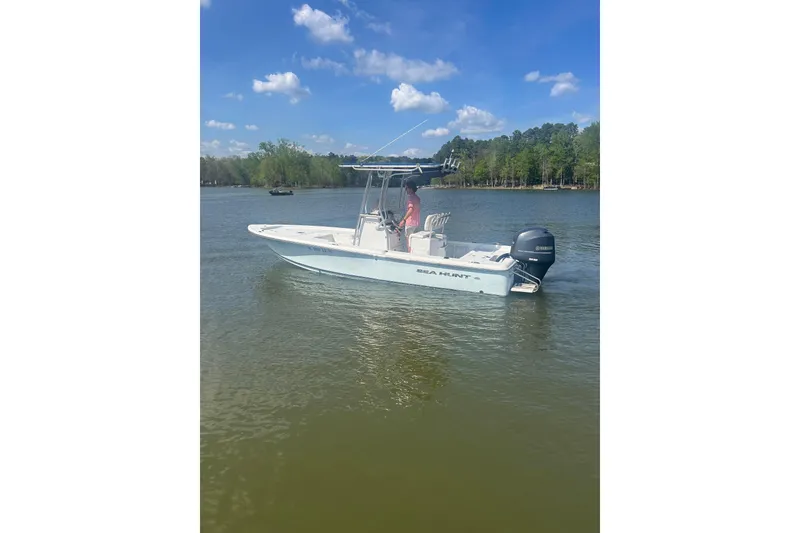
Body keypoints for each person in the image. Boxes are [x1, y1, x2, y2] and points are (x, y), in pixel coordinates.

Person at [396, 179, 421, 252]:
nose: (405, 190)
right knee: (415, 242)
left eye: (406, 188)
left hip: (410, 224)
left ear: (410, 189)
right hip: (417, 223)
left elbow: (411, 209)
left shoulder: (411, 198)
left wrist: (403, 220)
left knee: (409, 243)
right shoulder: (417, 198)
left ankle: (410, 256)